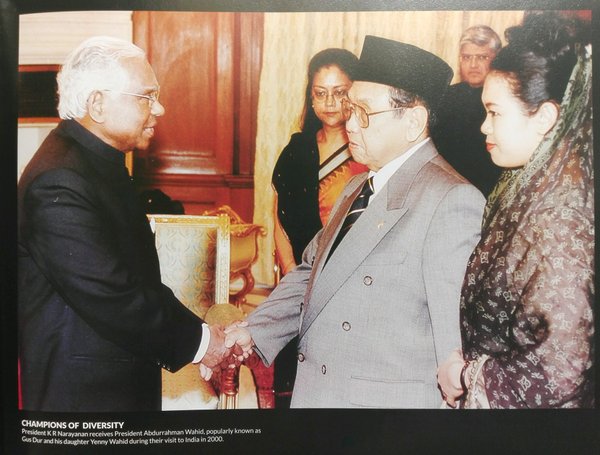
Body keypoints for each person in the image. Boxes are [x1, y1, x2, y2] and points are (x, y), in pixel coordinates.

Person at [224, 35, 485, 408]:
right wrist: (253, 332)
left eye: (363, 111)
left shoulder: (451, 199)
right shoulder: (356, 186)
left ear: (413, 121)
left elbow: (453, 343)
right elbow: (311, 274)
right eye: (350, 109)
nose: (349, 123)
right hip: (322, 395)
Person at [17, 36, 247, 412]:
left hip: (111, 381)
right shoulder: (59, 179)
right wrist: (206, 344)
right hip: (82, 401)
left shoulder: (94, 163)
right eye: (146, 96)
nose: (160, 108)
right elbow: (115, 295)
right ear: (98, 104)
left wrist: (203, 337)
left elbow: (138, 284)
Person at [437, 12, 593, 409]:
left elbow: (560, 370)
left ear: (544, 117)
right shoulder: (530, 184)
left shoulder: (560, 218)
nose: (483, 128)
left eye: (494, 113)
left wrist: (466, 375)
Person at [271, 48, 366, 407]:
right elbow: (279, 220)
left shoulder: (367, 151)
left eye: (340, 92)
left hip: (351, 284)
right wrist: (292, 275)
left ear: (354, 93)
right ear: (310, 97)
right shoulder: (296, 151)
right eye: (320, 93)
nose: (330, 103)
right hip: (298, 277)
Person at [432, 25, 503, 197]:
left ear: (496, 59)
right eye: (466, 57)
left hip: (488, 188)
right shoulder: (445, 96)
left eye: (482, 57)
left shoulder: (504, 99)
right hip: (446, 186)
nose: (473, 65)